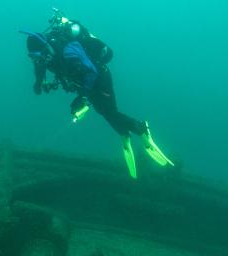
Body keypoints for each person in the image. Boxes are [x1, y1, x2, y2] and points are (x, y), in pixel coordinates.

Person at [20, 9, 173, 179]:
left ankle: (141, 130)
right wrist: (38, 81)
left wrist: (82, 97)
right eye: (32, 57)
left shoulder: (67, 49)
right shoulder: (46, 55)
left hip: (100, 80)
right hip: (83, 84)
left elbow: (91, 72)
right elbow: (40, 66)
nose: (36, 59)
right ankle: (124, 132)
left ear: (45, 46)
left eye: (36, 55)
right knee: (102, 111)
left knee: (110, 112)